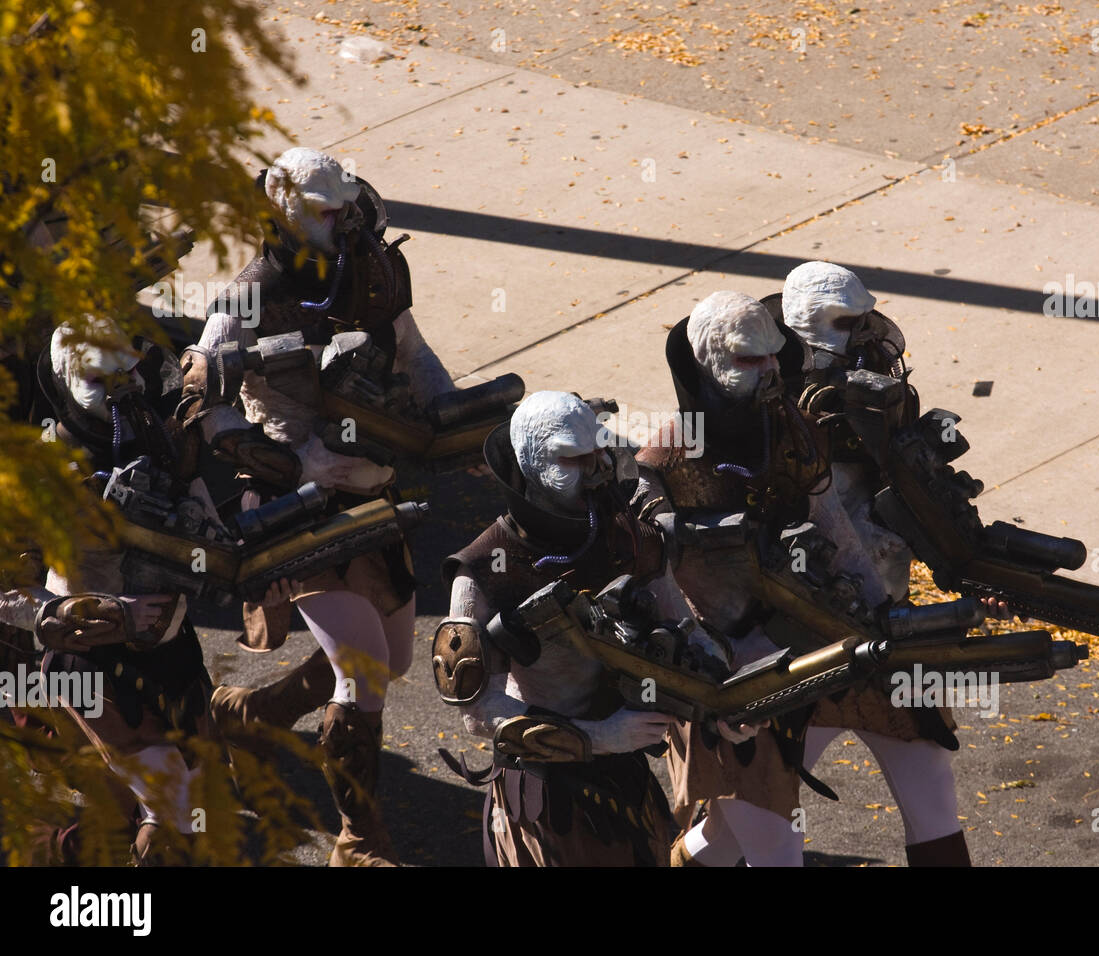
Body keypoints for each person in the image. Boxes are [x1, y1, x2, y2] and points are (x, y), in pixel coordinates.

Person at [186, 147, 455, 865]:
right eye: (325, 208)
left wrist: (451, 415)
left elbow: (412, 351)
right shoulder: (250, 291)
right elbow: (199, 395)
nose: (344, 218)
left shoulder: (370, 267)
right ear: (283, 210)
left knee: (391, 660)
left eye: (345, 203)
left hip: (370, 485)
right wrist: (276, 453)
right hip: (290, 503)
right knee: (363, 667)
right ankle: (359, 838)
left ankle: (253, 711)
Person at [635, 289, 967, 866]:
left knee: (931, 782)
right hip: (739, 679)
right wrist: (714, 670)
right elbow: (651, 590)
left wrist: (880, 615)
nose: (768, 374)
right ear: (706, 365)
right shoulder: (660, 467)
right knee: (766, 843)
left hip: (835, 639)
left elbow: (835, 532)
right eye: (747, 360)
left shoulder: (797, 430)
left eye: (772, 357)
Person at [438, 390, 755, 866]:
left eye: (598, 453)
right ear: (530, 465)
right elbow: (477, 710)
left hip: (627, 778)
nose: (596, 471)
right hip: (544, 797)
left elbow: (683, 627)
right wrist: (598, 737)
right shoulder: (483, 568)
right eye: (573, 459)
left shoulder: (630, 536)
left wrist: (722, 700)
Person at [0, 319, 222, 864]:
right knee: (173, 815)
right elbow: (8, 587)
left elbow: (216, 546)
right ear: (64, 383)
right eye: (100, 381)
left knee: (188, 806)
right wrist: (68, 614)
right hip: (86, 664)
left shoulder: (170, 446)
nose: (120, 392)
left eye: (125, 374)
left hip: (174, 655)